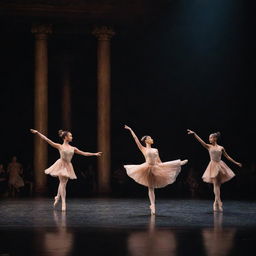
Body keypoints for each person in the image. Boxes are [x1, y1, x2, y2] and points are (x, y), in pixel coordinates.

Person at [30, 129, 102, 211]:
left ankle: (57, 197)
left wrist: (94, 154)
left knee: (62, 183)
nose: (72, 137)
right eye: (70, 136)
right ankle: (63, 203)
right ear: (65, 137)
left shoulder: (73, 148)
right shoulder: (59, 146)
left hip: (68, 166)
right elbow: (47, 140)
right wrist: (38, 133)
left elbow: (84, 153)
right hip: (61, 164)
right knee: (63, 183)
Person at [124, 125, 188, 215]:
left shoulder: (155, 150)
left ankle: (178, 163)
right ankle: (152, 205)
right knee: (151, 188)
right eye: (150, 138)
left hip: (155, 166)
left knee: (161, 171)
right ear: (146, 141)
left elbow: (159, 161)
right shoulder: (144, 149)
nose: (151, 139)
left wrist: (164, 168)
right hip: (147, 168)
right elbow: (136, 139)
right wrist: (130, 130)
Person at [187, 129, 242, 211]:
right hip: (213, 165)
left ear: (215, 138)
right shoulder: (209, 146)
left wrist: (236, 163)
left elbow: (227, 156)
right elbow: (201, 141)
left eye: (210, 138)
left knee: (218, 185)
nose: (209, 139)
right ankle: (218, 203)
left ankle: (216, 202)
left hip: (220, 165)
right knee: (216, 184)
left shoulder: (221, 148)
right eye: (209, 138)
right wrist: (194, 134)